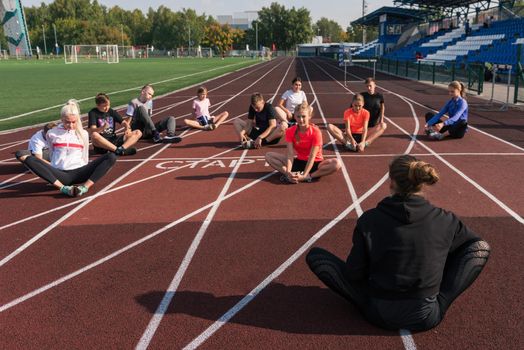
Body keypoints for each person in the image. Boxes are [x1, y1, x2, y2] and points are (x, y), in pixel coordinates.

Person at [306, 155, 490, 331]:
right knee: (480, 248)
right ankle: (441, 299)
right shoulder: (446, 219)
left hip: (378, 313)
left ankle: (369, 300)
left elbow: (354, 273)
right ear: (421, 182)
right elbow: (474, 246)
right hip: (426, 316)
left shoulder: (370, 220)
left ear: (392, 182)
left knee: (316, 256)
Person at [17, 100, 117, 197]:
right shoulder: (51, 133)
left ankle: (84, 187)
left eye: (74, 122)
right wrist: (56, 167)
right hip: (61, 175)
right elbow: (52, 154)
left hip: (80, 173)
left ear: (77, 120)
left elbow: (85, 156)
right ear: (62, 119)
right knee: (30, 159)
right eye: (67, 122)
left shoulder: (84, 134)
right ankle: (63, 188)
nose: (71, 125)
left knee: (111, 156)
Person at [265, 102, 341, 183]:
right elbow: (290, 154)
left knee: (337, 163)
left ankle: (310, 176)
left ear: (309, 116)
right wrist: (288, 172)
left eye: (304, 116)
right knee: (269, 156)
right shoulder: (290, 131)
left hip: (316, 163)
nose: (301, 119)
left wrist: (305, 176)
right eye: (298, 116)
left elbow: (312, 156)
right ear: (295, 117)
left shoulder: (316, 132)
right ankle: (291, 176)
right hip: (299, 161)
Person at [360, 78, 387, 146]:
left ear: (375, 85)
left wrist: (381, 120)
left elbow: (382, 107)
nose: (369, 88)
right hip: (363, 124)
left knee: (383, 125)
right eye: (367, 86)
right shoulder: (362, 96)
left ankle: (367, 142)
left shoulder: (379, 96)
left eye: (370, 86)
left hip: (373, 124)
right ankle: (363, 140)